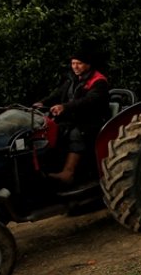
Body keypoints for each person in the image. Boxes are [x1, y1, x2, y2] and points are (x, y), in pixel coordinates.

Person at [35, 47, 111, 184]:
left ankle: (68, 173)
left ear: (88, 64)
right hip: (76, 118)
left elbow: (88, 101)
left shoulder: (99, 82)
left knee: (76, 133)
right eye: (73, 63)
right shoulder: (73, 79)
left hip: (93, 120)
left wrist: (65, 107)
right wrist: (42, 103)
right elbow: (58, 93)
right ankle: (49, 167)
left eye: (79, 63)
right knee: (52, 129)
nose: (75, 66)